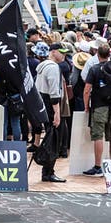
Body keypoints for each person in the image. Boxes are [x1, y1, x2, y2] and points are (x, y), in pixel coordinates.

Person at [81, 43, 111, 175]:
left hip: (98, 105)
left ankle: (98, 166)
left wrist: (86, 105)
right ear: (109, 55)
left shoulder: (94, 69)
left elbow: (87, 90)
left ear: (97, 54)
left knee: (98, 136)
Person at [33, 43, 66, 183]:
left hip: (42, 103)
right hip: (50, 105)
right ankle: (48, 171)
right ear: (53, 52)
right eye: (61, 52)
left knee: (50, 137)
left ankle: (47, 171)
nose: (64, 55)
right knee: (54, 139)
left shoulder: (42, 66)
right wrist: (57, 113)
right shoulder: (52, 67)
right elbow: (54, 93)